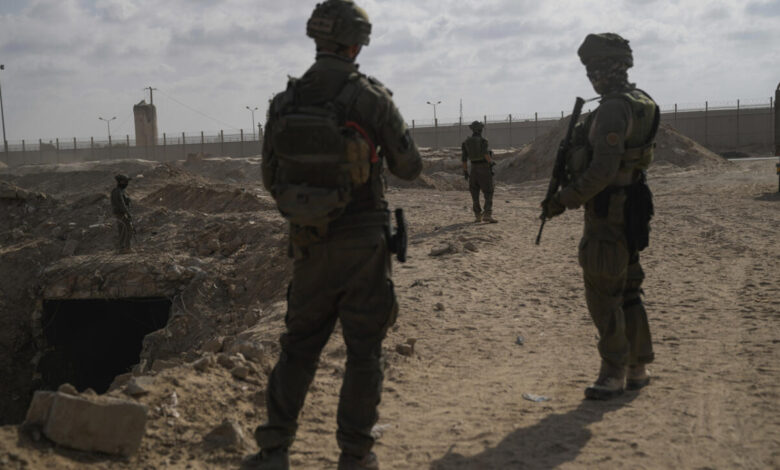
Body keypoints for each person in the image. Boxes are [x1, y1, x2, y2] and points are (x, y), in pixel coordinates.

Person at [244, 1, 422, 469]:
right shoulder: (370, 98)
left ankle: (273, 451)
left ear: (318, 38)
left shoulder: (285, 102)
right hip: (363, 244)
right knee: (364, 353)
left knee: (298, 348)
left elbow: (270, 178)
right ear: (356, 43)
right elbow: (409, 167)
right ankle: (355, 456)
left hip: (309, 244)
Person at [541, 33, 659, 400]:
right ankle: (637, 368)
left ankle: (613, 373)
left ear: (605, 69)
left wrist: (563, 199)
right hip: (633, 204)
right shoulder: (642, 102)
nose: (592, 76)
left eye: (594, 69)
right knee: (629, 289)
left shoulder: (612, 109)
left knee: (604, 294)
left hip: (609, 210)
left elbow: (602, 171)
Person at [461, 121, 497, 223]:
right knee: (488, 192)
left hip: (473, 169)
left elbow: (464, 159)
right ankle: (487, 214)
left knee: (474, 192)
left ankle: (477, 215)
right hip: (484, 168)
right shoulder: (483, 141)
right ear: (480, 130)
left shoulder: (466, 142)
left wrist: (465, 171)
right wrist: (491, 162)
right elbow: (485, 153)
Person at [110, 174, 133, 252]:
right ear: (122, 182)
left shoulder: (120, 191)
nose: (127, 183)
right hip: (121, 213)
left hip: (121, 213)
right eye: (126, 182)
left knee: (123, 230)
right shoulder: (117, 192)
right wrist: (127, 213)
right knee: (127, 229)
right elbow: (121, 204)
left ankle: (122, 248)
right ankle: (126, 248)